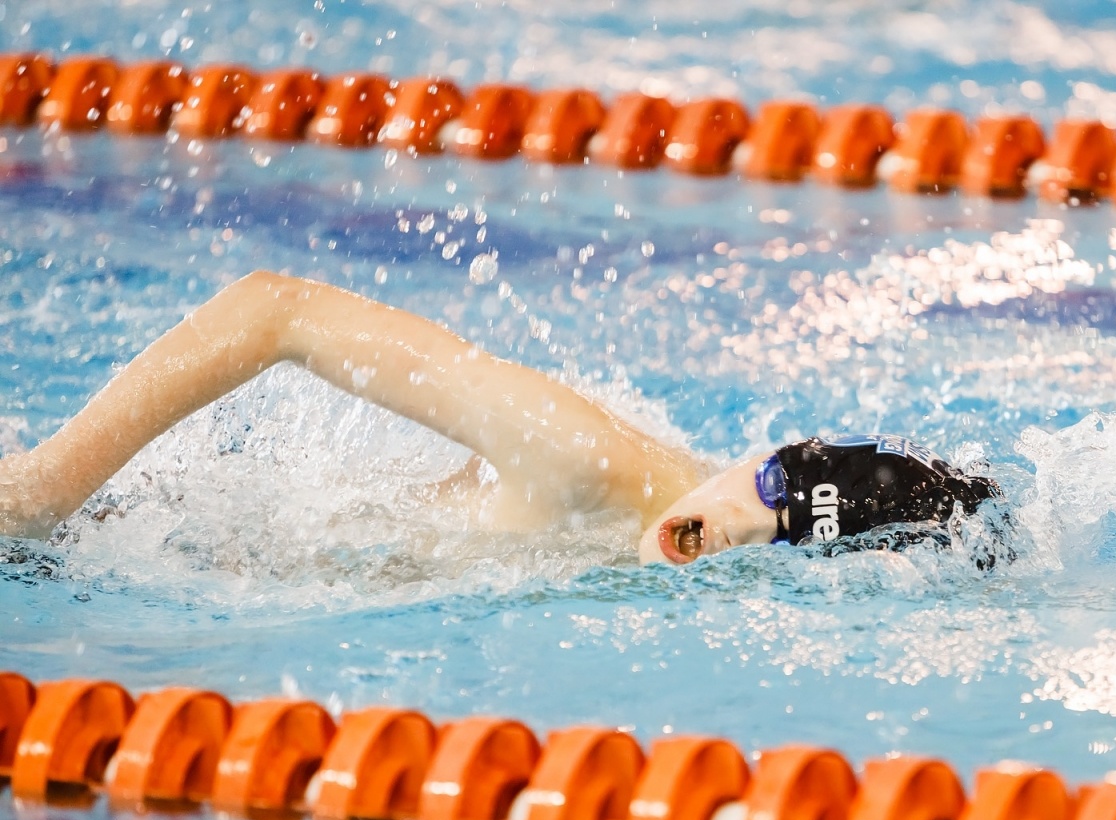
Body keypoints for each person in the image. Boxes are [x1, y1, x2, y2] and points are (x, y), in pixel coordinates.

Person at [0, 272, 1002, 565]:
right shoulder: (576, 458)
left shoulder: (649, 555)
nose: (690, 541)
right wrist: (44, 489)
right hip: (106, 534)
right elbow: (275, 309)